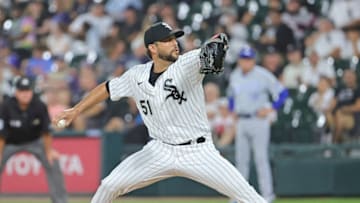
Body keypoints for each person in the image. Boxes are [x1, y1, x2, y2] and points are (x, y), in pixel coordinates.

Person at [54, 22, 266, 203]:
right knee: (108, 186)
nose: (175, 43)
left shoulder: (186, 64)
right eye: (167, 40)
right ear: (152, 48)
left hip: (198, 151)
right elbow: (108, 88)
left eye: (175, 39)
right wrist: (76, 110)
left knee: (247, 196)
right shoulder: (136, 75)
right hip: (159, 151)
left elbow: (210, 49)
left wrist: (218, 41)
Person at [228, 47, 289, 203]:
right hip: (241, 120)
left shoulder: (262, 74)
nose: (246, 61)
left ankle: (267, 195)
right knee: (241, 161)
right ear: (240, 60)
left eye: (249, 59)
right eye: (243, 58)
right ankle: (238, 196)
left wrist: (271, 108)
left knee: (261, 159)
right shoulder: (235, 75)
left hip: (258, 120)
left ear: (254, 60)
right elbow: (231, 96)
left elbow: (282, 93)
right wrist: (231, 109)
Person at [0, 76, 68, 203]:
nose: (25, 94)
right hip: (9, 142)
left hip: (35, 141)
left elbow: (46, 131)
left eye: (28, 91)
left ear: (32, 92)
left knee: (53, 160)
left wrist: (49, 152)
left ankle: (60, 201)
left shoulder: (39, 105)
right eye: (22, 91)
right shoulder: (6, 105)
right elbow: (1, 134)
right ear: (16, 92)